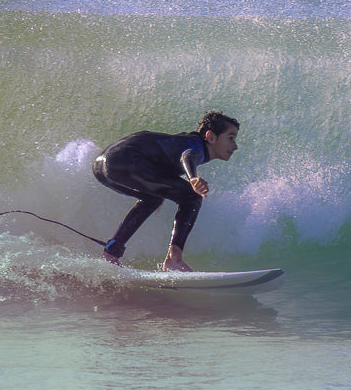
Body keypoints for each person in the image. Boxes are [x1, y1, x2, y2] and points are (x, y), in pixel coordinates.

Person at [92, 111, 240, 272]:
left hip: (101, 166)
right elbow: (188, 156)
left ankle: (111, 253)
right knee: (192, 196)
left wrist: (158, 191)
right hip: (124, 160)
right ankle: (174, 259)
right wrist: (192, 178)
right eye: (230, 138)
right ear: (210, 137)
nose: (235, 146)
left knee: (153, 199)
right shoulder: (195, 145)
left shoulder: (182, 142)